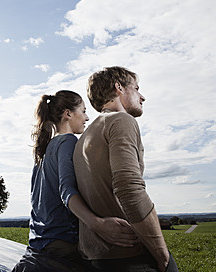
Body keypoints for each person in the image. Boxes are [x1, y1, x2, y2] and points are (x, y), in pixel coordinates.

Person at [12, 90, 138, 272]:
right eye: (84, 111)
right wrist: (97, 224)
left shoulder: (44, 150)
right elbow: (66, 190)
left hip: (39, 243)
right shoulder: (68, 141)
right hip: (61, 245)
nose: (87, 117)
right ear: (68, 114)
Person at [73, 67, 179, 272]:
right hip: (128, 258)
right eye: (137, 88)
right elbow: (129, 189)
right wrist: (162, 255)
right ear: (118, 87)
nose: (143, 96)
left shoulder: (83, 139)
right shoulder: (120, 120)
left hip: (93, 257)